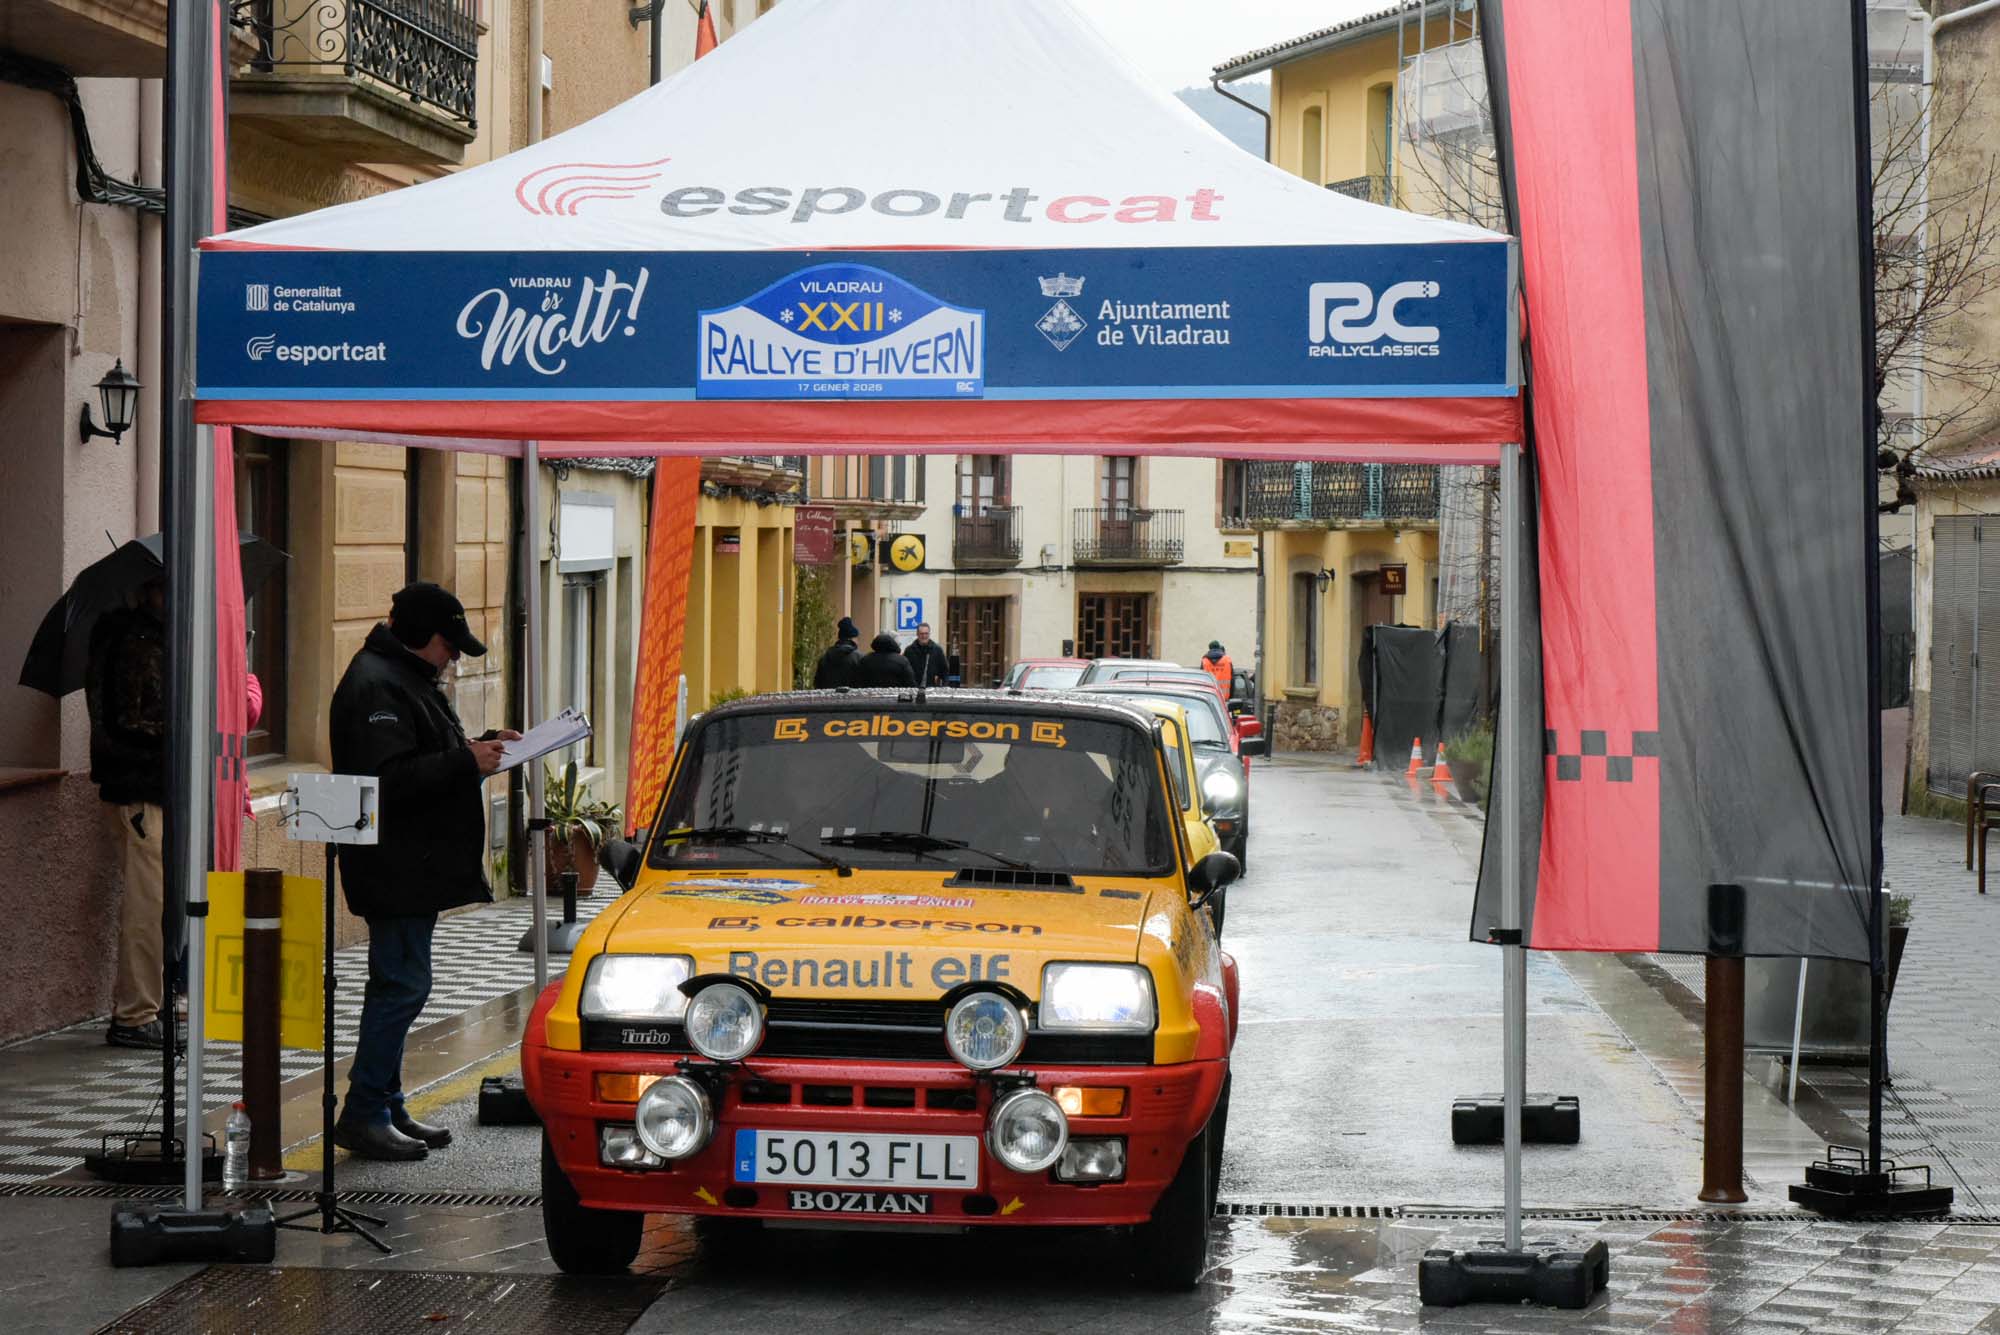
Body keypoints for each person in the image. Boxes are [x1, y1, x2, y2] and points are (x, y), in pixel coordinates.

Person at [328, 582, 519, 1161]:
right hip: (395, 866)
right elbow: (387, 781)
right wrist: (466, 761)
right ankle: (364, 1112)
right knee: (401, 987)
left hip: (413, 864)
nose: (454, 656)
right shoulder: (375, 685)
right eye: (448, 644)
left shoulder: (404, 677)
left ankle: (386, 1104)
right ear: (417, 635)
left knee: (400, 984)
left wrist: (482, 749)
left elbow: (421, 753)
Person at [84, 579, 171, 1050]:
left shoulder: (151, 637)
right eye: (167, 588)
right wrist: (178, 727)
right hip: (139, 787)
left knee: (155, 900)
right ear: (149, 591)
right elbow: (126, 722)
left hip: (148, 785)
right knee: (146, 903)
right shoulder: (134, 642)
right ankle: (136, 1014)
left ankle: (149, 1004)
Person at [812, 616, 862, 688]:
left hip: (828, 695)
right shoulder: (859, 658)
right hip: (852, 695)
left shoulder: (825, 657)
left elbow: (817, 683)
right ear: (852, 638)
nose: (858, 642)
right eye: (857, 638)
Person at [904, 622, 949, 687]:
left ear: (929, 634)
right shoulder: (909, 651)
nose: (924, 636)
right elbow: (905, 672)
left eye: (926, 633)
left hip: (932, 688)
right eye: (921, 634)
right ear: (917, 634)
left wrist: (944, 687)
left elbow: (945, 671)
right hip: (913, 688)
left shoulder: (937, 650)